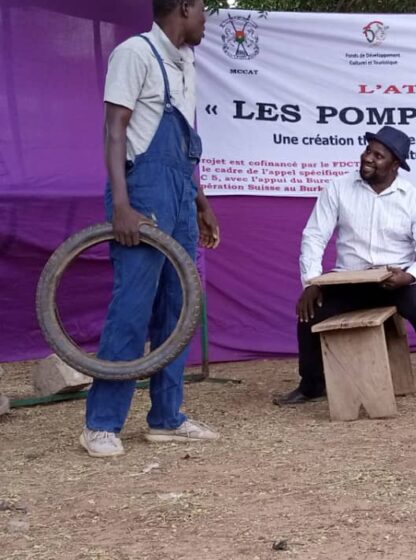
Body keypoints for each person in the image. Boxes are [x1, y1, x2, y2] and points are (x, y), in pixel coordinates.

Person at [80, 0, 221, 458]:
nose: (205, 18)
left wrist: (200, 202)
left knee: (177, 310)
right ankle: (100, 424)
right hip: (142, 194)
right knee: (133, 308)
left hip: (178, 193)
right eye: (202, 9)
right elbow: (114, 130)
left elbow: (182, 146)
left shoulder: (186, 62)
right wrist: (122, 205)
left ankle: (166, 418)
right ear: (183, 8)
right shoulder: (134, 54)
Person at [275, 126, 416, 404]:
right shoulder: (337, 188)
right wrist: (312, 282)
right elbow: (314, 236)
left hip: (396, 279)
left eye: (378, 155)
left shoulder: (414, 199)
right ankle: (312, 385)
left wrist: (409, 275)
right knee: (309, 313)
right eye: (368, 150)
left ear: (395, 165)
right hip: (350, 279)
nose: (368, 158)